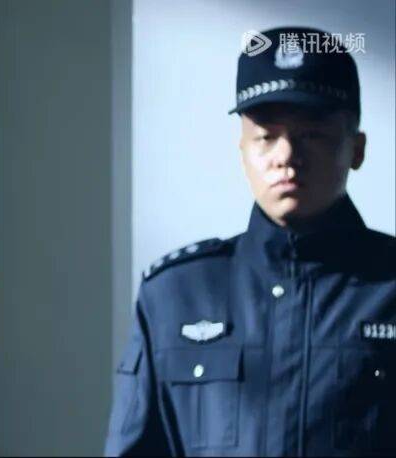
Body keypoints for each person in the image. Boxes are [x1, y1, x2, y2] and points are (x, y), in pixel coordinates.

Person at [105, 26, 395, 456]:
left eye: (311, 134)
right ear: (242, 151)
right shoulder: (176, 295)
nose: (286, 156)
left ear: (357, 148)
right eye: (266, 136)